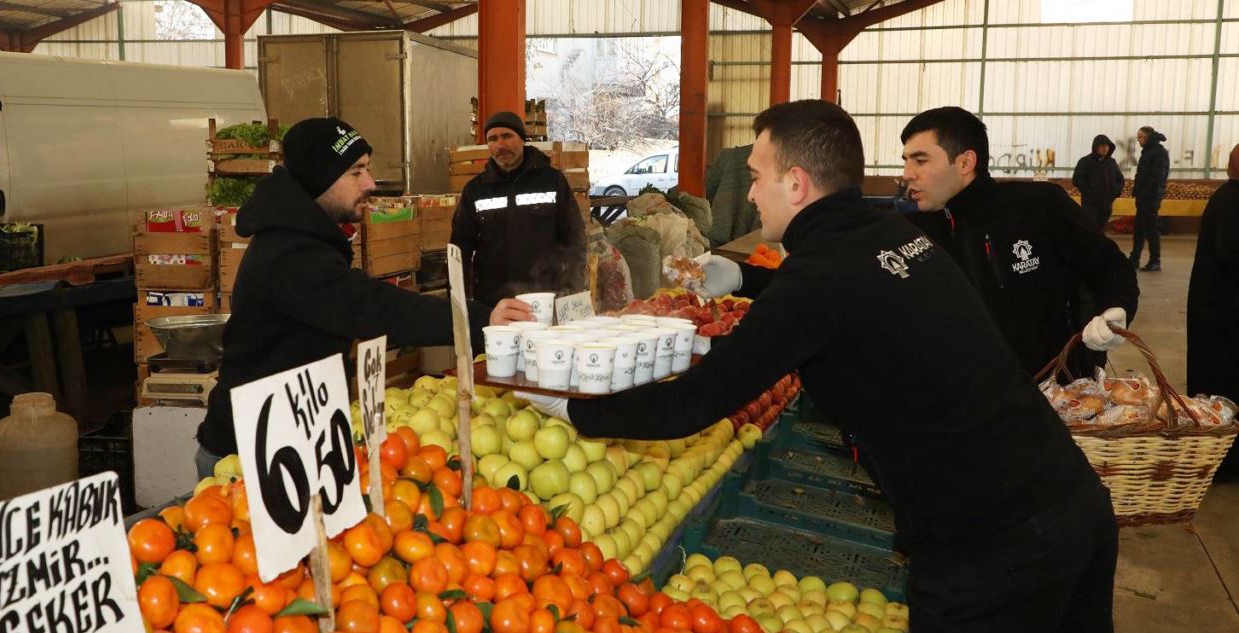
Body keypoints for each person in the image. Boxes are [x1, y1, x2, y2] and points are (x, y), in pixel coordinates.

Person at [520, 100, 1117, 633]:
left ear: (797, 184)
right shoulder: (888, 232)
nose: (749, 194)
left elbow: (692, 405)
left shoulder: (820, 275)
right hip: (1072, 501)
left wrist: (573, 409)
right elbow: (802, 323)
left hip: (993, 548)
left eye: (756, 178)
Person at [195, 118, 533, 476]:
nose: (371, 184)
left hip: (288, 440)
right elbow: (373, 307)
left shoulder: (305, 237)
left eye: (368, 169)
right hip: (245, 458)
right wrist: (481, 320)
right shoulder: (290, 252)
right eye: (356, 172)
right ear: (319, 179)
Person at [899, 107, 1139, 379]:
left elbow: (1109, 264)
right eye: (906, 160)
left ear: (965, 163)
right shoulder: (912, 235)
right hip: (966, 397)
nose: (907, 173)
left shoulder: (1038, 206)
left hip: (1052, 391)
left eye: (920, 161)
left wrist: (1116, 308)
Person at [450, 111, 587, 306]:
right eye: (493, 139)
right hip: (494, 302)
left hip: (545, 297)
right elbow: (459, 247)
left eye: (507, 136)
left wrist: (572, 286)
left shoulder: (552, 181)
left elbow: (575, 238)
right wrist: (458, 300)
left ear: (522, 139)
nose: (500, 145)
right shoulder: (475, 190)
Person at [1188, 143, 1239, 472]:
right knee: (1222, 392)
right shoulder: (1230, 202)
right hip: (1221, 315)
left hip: (1222, 310)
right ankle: (1223, 461)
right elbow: (1231, 252)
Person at [704, 144, 760, 247]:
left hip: (722, 234)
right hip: (759, 244)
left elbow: (706, 189)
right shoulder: (783, 157)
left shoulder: (729, 156)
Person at [1131, 126, 1170, 271]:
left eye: (1140, 136)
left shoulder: (1159, 154)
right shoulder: (1148, 152)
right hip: (1143, 197)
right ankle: (1134, 258)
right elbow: (1142, 175)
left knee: (1151, 229)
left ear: (1147, 137)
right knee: (1139, 229)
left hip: (1151, 198)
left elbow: (1157, 178)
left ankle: (1155, 260)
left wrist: (1145, 193)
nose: (1138, 139)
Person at [1073, 134, 1125, 230]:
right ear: (1096, 147)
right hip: (1090, 204)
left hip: (1107, 203)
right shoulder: (1085, 161)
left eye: (1107, 146)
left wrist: (1115, 192)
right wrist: (1090, 193)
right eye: (1102, 146)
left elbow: (1120, 179)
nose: (1105, 148)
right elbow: (1077, 180)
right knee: (1089, 228)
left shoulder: (1111, 162)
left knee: (1101, 229)